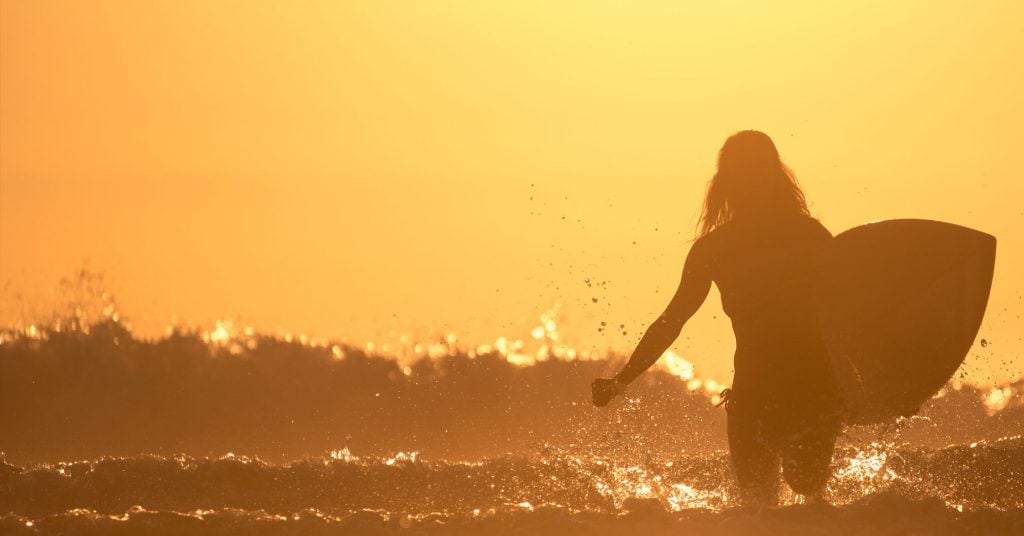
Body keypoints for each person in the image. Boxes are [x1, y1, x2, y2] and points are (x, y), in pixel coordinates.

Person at [592, 130, 840, 506]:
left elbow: (854, 309)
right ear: (727, 182)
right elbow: (672, 320)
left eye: (760, 170)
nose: (752, 180)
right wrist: (623, 378)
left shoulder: (810, 238)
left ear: (775, 175)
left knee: (806, 485)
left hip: (812, 390)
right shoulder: (714, 249)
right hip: (753, 393)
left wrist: (891, 382)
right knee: (758, 509)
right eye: (743, 172)